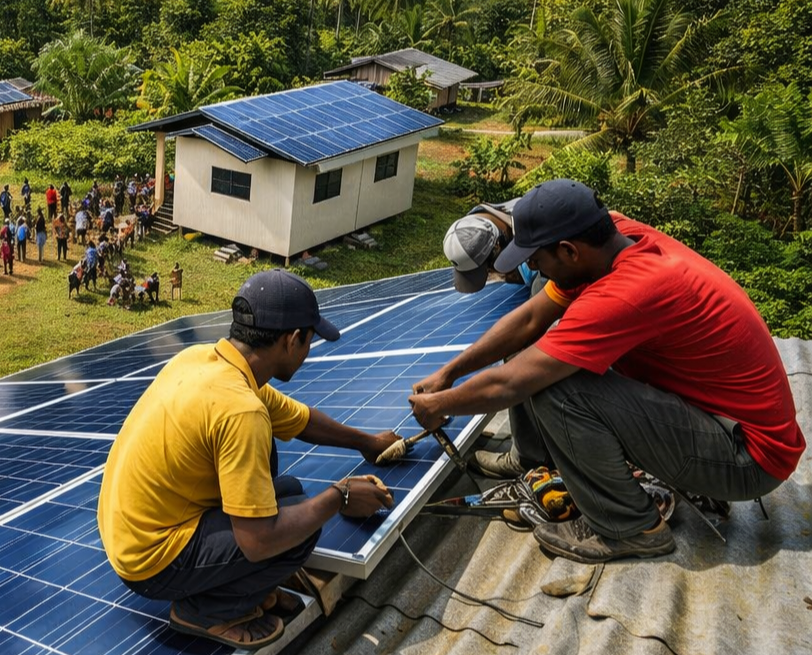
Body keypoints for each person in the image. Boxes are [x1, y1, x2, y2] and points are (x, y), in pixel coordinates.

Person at [407, 179, 806, 564]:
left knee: (556, 387)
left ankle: (630, 527)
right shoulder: (609, 239)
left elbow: (513, 383)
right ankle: (548, 462)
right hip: (721, 423)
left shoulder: (628, 292)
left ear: (568, 251)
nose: (531, 266)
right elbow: (530, 321)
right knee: (538, 353)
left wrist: (442, 405)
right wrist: (450, 373)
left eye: (535, 258)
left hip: (746, 459)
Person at [99, 271, 399, 647]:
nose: (308, 352)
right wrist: (341, 496)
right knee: (296, 535)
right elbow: (258, 541)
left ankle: (243, 584)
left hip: (128, 532)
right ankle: (206, 610)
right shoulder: (242, 410)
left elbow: (299, 419)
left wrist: (366, 442)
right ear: (292, 340)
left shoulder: (204, 360)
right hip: (149, 561)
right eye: (309, 341)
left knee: (287, 492)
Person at [441, 197, 545, 296]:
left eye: (488, 270)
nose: (491, 274)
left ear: (497, 246)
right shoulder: (480, 218)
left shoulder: (536, 233)